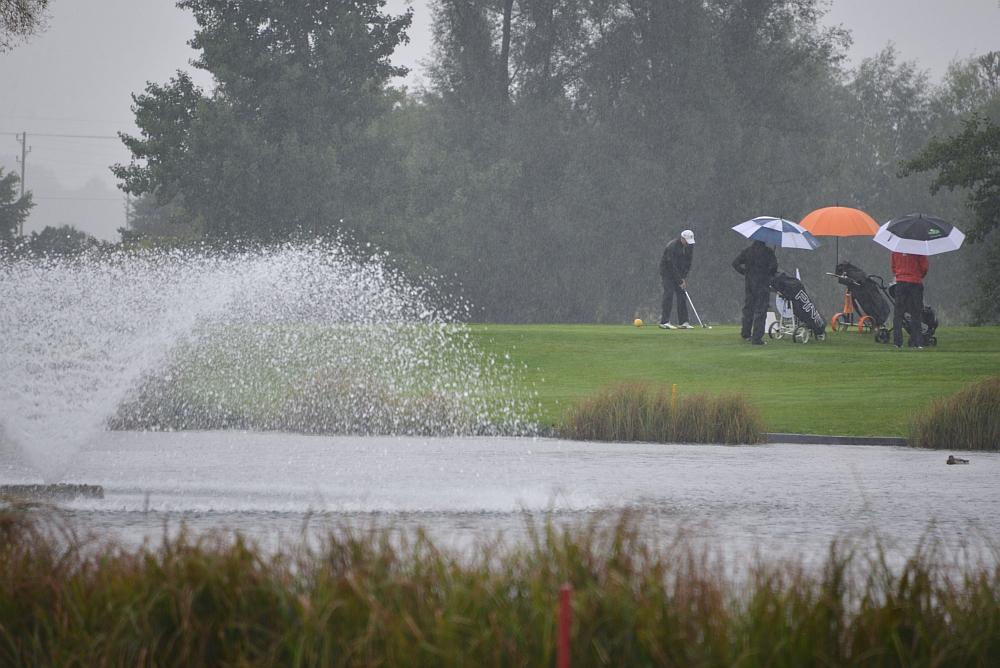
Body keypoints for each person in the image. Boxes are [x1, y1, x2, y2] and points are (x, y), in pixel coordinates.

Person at [732, 240, 777, 345]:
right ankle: (757, 338)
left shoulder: (748, 251)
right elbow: (774, 268)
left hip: (749, 284)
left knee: (748, 308)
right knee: (761, 310)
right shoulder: (768, 252)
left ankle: (746, 333)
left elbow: (735, 263)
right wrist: (768, 272)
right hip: (762, 284)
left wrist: (745, 272)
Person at [890, 251, 929, 349]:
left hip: (901, 282)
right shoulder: (918, 249)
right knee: (916, 313)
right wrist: (918, 275)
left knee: (898, 314)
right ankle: (917, 342)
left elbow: (894, 267)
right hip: (915, 283)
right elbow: (924, 268)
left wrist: (900, 273)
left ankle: (898, 342)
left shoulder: (896, 250)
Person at [658, 229, 695, 329]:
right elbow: (671, 265)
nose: (688, 243)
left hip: (679, 273)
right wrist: (679, 280)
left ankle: (684, 322)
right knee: (668, 294)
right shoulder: (672, 246)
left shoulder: (689, 246)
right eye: (687, 241)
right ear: (682, 238)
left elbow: (688, 263)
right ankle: (664, 321)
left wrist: (683, 277)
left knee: (682, 295)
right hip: (667, 273)